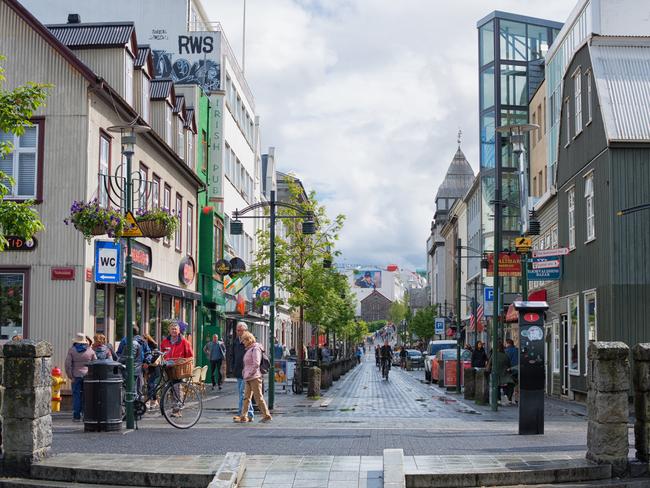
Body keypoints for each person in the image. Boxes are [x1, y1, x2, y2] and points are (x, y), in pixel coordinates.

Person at [235, 331, 272, 423]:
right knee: (246, 397)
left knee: (258, 397)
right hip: (248, 377)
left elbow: (256, 363)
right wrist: (245, 373)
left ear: (249, 340)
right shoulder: (249, 349)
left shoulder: (255, 349)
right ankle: (244, 416)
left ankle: (267, 415)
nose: (243, 342)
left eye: (244, 340)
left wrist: (249, 373)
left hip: (254, 377)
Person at [64, 333, 97, 421]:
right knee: (86, 396)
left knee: (76, 396)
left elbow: (67, 365)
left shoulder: (72, 350)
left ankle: (76, 416)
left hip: (76, 376)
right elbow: (95, 363)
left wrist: (70, 376)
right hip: (88, 376)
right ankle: (85, 415)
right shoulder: (90, 350)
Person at [117, 325, 151, 400]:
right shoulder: (142, 340)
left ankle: (132, 406)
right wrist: (147, 362)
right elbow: (148, 353)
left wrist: (120, 362)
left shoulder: (125, 340)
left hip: (128, 367)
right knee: (138, 388)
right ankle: (137, 405)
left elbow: (119, 353)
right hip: (140, 367)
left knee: (130, 388)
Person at [232, 322, 254, 422]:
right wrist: (233, 367)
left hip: (247, 372)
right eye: (237, 330)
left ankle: (241, 414)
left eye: (240, 330)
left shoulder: (249, 342)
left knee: (243, 393)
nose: (238, 332)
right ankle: (250, 414)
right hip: (238, 371)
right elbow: (233, 354)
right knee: (245, 394)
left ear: (245, 331)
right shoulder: (236, 341)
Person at [142, 333, 160, 409]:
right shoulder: (145, 347)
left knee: (150, 384)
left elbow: (155, 361)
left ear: (147, 339)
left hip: (155, 369)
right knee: (150, 385)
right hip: (149, 369)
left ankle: (152, 400)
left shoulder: (153, 348)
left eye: (143, 340)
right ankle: (153, 401)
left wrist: (147, 363)